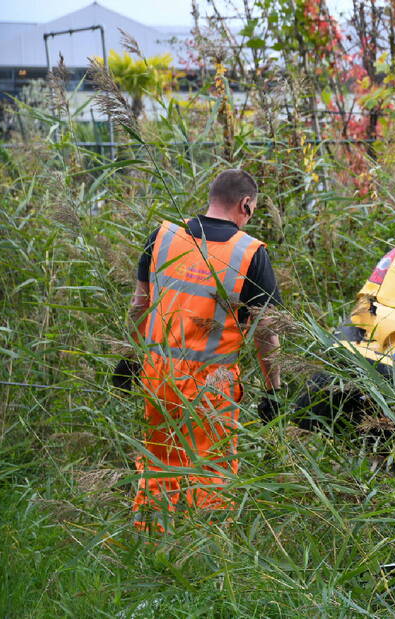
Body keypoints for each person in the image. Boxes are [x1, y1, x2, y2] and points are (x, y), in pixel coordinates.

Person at [123, 168, 282, 529]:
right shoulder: (250, 253)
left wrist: (130, 357)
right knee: (210, 472)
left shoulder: (163, 237)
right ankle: (204, 546)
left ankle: (150, 540)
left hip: (158, 376)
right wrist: (273, 389)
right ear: (246, 205)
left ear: (211, 198)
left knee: (158, 464)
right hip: (211, 386)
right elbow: (266, 331)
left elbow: (139, 305)